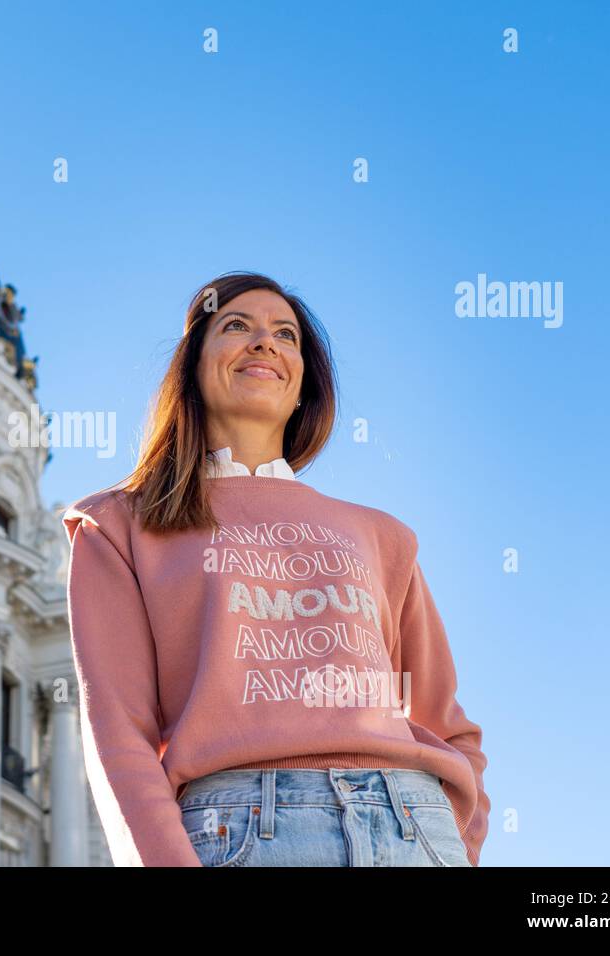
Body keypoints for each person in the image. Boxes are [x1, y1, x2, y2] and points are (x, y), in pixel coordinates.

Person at [62, 271, 490, 867]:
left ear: (303, 387)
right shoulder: (117, 525)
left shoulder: (382, 535)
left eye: (284, 334)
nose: (264, 342)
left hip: (412, 825)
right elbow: (119, 734)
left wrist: (454, 845)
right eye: (236, 325)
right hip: (240, 829)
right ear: (192, 367)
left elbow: (446, 724)